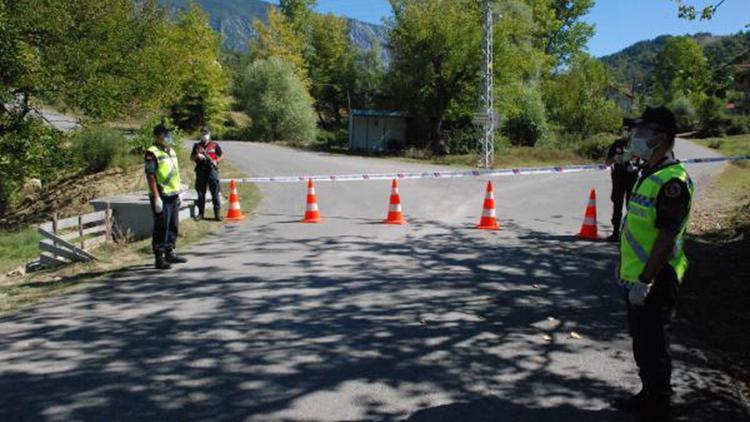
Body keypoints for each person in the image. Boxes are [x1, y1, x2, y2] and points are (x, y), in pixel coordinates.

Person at [613, 107, 693, 420]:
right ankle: (648, 394)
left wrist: (646, 280)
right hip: (638, 276)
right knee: (642, 343)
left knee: (653, 345)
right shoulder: (650, 171)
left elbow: (665, 238)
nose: (635, 137)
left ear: (661, 137)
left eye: (643, 132)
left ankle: (659, 404)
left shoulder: (673, 181)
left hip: (657, 277)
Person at [145, 123, 188, 270]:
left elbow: (175, 173)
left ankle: (170, 252)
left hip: (173, 194)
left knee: (173, 225)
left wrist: (179, 191)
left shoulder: (171, 151)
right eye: (165, 135)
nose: (168, 137)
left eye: (168, 134)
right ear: (157, 136)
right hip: (161, 195)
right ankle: (159, 257)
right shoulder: (152, 152)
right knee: (161, 227)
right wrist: (156, 197)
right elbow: (151, 176)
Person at [605, 122, 640, 242]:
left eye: (630, 130)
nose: (627, 133)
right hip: (618, 178)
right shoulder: (617, 144)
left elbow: (648, 162)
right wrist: (615, 158)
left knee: (631, 206)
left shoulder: (638, 145)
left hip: (632, 178)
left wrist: (636, 167)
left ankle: (630, 233)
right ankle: (615, 232)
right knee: (617, 204)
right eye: (625, 130)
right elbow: (607, 162)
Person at [191, 127, 223, 221]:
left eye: (206, 134)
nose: (204, 135)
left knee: (215, 193)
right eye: (202, 134)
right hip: (201, 171)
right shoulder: (197, 146)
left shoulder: (214, 145)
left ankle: (217, 214)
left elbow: (222, 155)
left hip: (212, 170)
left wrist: (216, 161)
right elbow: (191, 158)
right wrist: (197, 156)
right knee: (201, 194)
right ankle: (200, 214)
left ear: (209, 134)